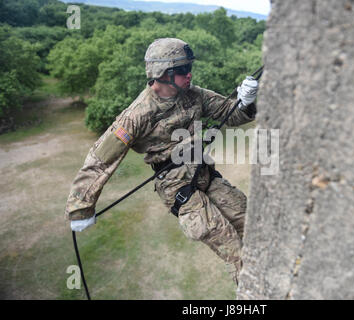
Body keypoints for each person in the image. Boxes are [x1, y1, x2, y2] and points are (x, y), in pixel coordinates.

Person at [65, 38, 259, 285]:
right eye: (182, 71)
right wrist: (80, 208)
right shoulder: (137, 115)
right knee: (235, 251)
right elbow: (100, 160)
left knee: (253, 225)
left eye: (189, 68)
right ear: (162, 73)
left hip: (202, 173)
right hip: (178, 188)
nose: (189, 75)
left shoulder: (194, 95)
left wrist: (247, 101)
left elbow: (231, 115)